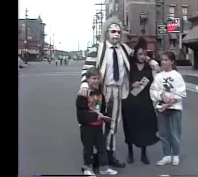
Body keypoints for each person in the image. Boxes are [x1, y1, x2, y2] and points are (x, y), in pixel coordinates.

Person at [77, 16, 160, 168]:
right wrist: (84, 84)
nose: (116, 34)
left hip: (119, 91)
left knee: (112, 124)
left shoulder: (123, 48)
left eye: (119, 32)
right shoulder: (97, 49)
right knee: (95, 123)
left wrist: (151, 60)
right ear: (106, 32)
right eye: (113, 31)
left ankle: (109, 154)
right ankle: (94, 155)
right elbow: (87, 69)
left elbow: (139, 54)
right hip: (102, 92)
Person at [122, 37, 159, 165]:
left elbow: (157, 79)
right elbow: (124, 81)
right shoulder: (130, 66)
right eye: (140, 54)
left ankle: (144, 154)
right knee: (130, 127)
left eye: (145, 54)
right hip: (130, 101)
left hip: (145, 102)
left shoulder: (149, 67)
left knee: (144, 128)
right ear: (136, 54)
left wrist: (151, 61)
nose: (142, 57)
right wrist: (132, 84)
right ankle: (130, 152)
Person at [76, 67, 118, 176]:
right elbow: (81, 114)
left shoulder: (100, 93)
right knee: (88, 148)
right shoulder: (83, 95)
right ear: (87, 79)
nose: (96, 81)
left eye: (98, 78)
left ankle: (104, 167)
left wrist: (105, 116)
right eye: (93, 78)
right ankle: (87, 168)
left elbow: (102, 108)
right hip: (87, 127)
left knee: (102, 147)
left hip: (98, 126)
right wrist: (95, 116)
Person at [149, 51, 186, 166]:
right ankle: (166, 155)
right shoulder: (158, 76)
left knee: (175, 132)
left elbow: (182, 92)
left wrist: (171, 101)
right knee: (163, 133)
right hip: (161, 108)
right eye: (162, 60)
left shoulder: (177, 75)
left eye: (166, 60)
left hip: (175, 108)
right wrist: (161, 96)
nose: (163, 62)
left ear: (172, 62)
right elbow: (153, 90)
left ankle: (175, 154)